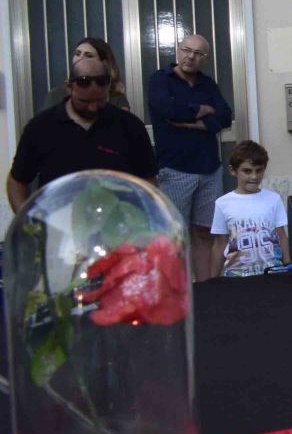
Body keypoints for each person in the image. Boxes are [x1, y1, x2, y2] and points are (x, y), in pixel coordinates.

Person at [9, 55, 156, 210]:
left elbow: (148, 180)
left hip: (117, 221)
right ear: (69, 87)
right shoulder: (40, 128)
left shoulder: (130, 126)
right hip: (58, 220)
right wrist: (27, 220)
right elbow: (16, 182)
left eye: (100, 100)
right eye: (84, 101)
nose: (93, 108)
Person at [148, 34, 235, 280]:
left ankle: (205, 290)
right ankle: (177, 291)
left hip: (209, 169)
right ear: (178, 50)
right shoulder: (160, 80)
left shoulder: (207, 84)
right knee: (174, 235)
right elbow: (168, 111)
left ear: (205, 58)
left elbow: (225, 116)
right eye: (186, 50)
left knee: (204, 232)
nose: (191, 56)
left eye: (198, 53)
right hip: (175, 169)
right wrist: (204, 110)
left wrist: (194, 121)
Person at [208, 140, 287, 278]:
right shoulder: (222, 203)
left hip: (273, 275)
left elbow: (281, 236)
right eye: (247, 171)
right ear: (233, 170)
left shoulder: (273, 199)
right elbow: (220, 243)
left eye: (259, 170)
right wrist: (212, 281)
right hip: (237, 278)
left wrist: (288, 268)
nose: (254, 176)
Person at [41, 36, 129, 112]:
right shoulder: (56, 96)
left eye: (89, 56)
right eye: (77, 54)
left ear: (103, 63)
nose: (80, 59)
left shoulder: (116, 99)